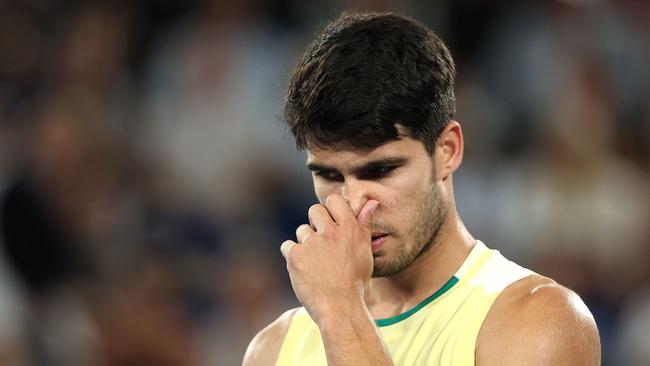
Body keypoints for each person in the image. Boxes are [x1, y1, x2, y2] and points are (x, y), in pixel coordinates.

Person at [243, 11, 600, 366]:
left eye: (380, 170)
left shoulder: (540, 322)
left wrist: (340, 312)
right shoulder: (272, 348)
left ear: (448, 151)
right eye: (330, 176)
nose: (353, 203)